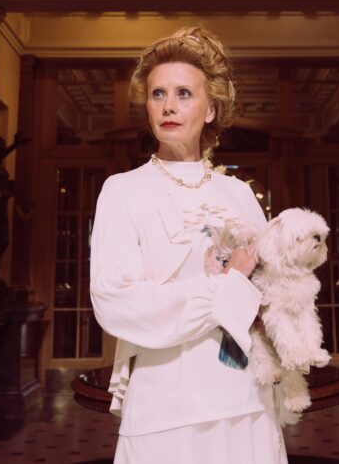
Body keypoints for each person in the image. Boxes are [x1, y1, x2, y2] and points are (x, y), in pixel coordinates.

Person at [89, 26, 288, 463]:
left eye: (183, 93)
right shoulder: (122, 190)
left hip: (246, 399)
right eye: (158, 94)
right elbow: (115, 300)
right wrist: (224, 290)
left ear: (212, 109)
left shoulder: (238, 194)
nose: (168, 106)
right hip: (165, 404)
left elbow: (273, 293)